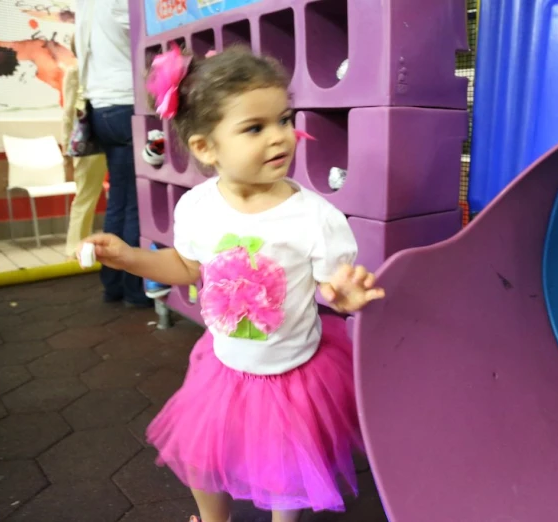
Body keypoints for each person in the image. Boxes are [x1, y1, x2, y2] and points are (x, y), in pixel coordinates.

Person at [79, 45, 385, 522]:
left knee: (287, 466)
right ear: (205, 147)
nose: (281, 137)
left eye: (284, 120)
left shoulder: (315, 217)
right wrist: (131, 259)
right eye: (255, 128)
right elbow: (185, 267)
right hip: (224, 369)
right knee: (203, 460)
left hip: (293, 373)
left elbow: (331, 287)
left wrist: (344, 296)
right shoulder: (198, 208)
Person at [75, 0, 151, 306]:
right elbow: (146, 36)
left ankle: (113, 285)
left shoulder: (85, 6)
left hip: (99, 108)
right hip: (125, 102)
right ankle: (135, 290)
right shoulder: (120, 3)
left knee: (118, 200)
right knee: (135, 204)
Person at [60, 35, 107, 259]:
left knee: (90, 194)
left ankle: (79, 247)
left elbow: (68, 111)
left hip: (94, 138)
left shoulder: (99, 69)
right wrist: (66, 146)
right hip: (86, 140)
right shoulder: (76, 71)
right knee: (87, 194)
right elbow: (68, 110)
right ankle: (73, 248)